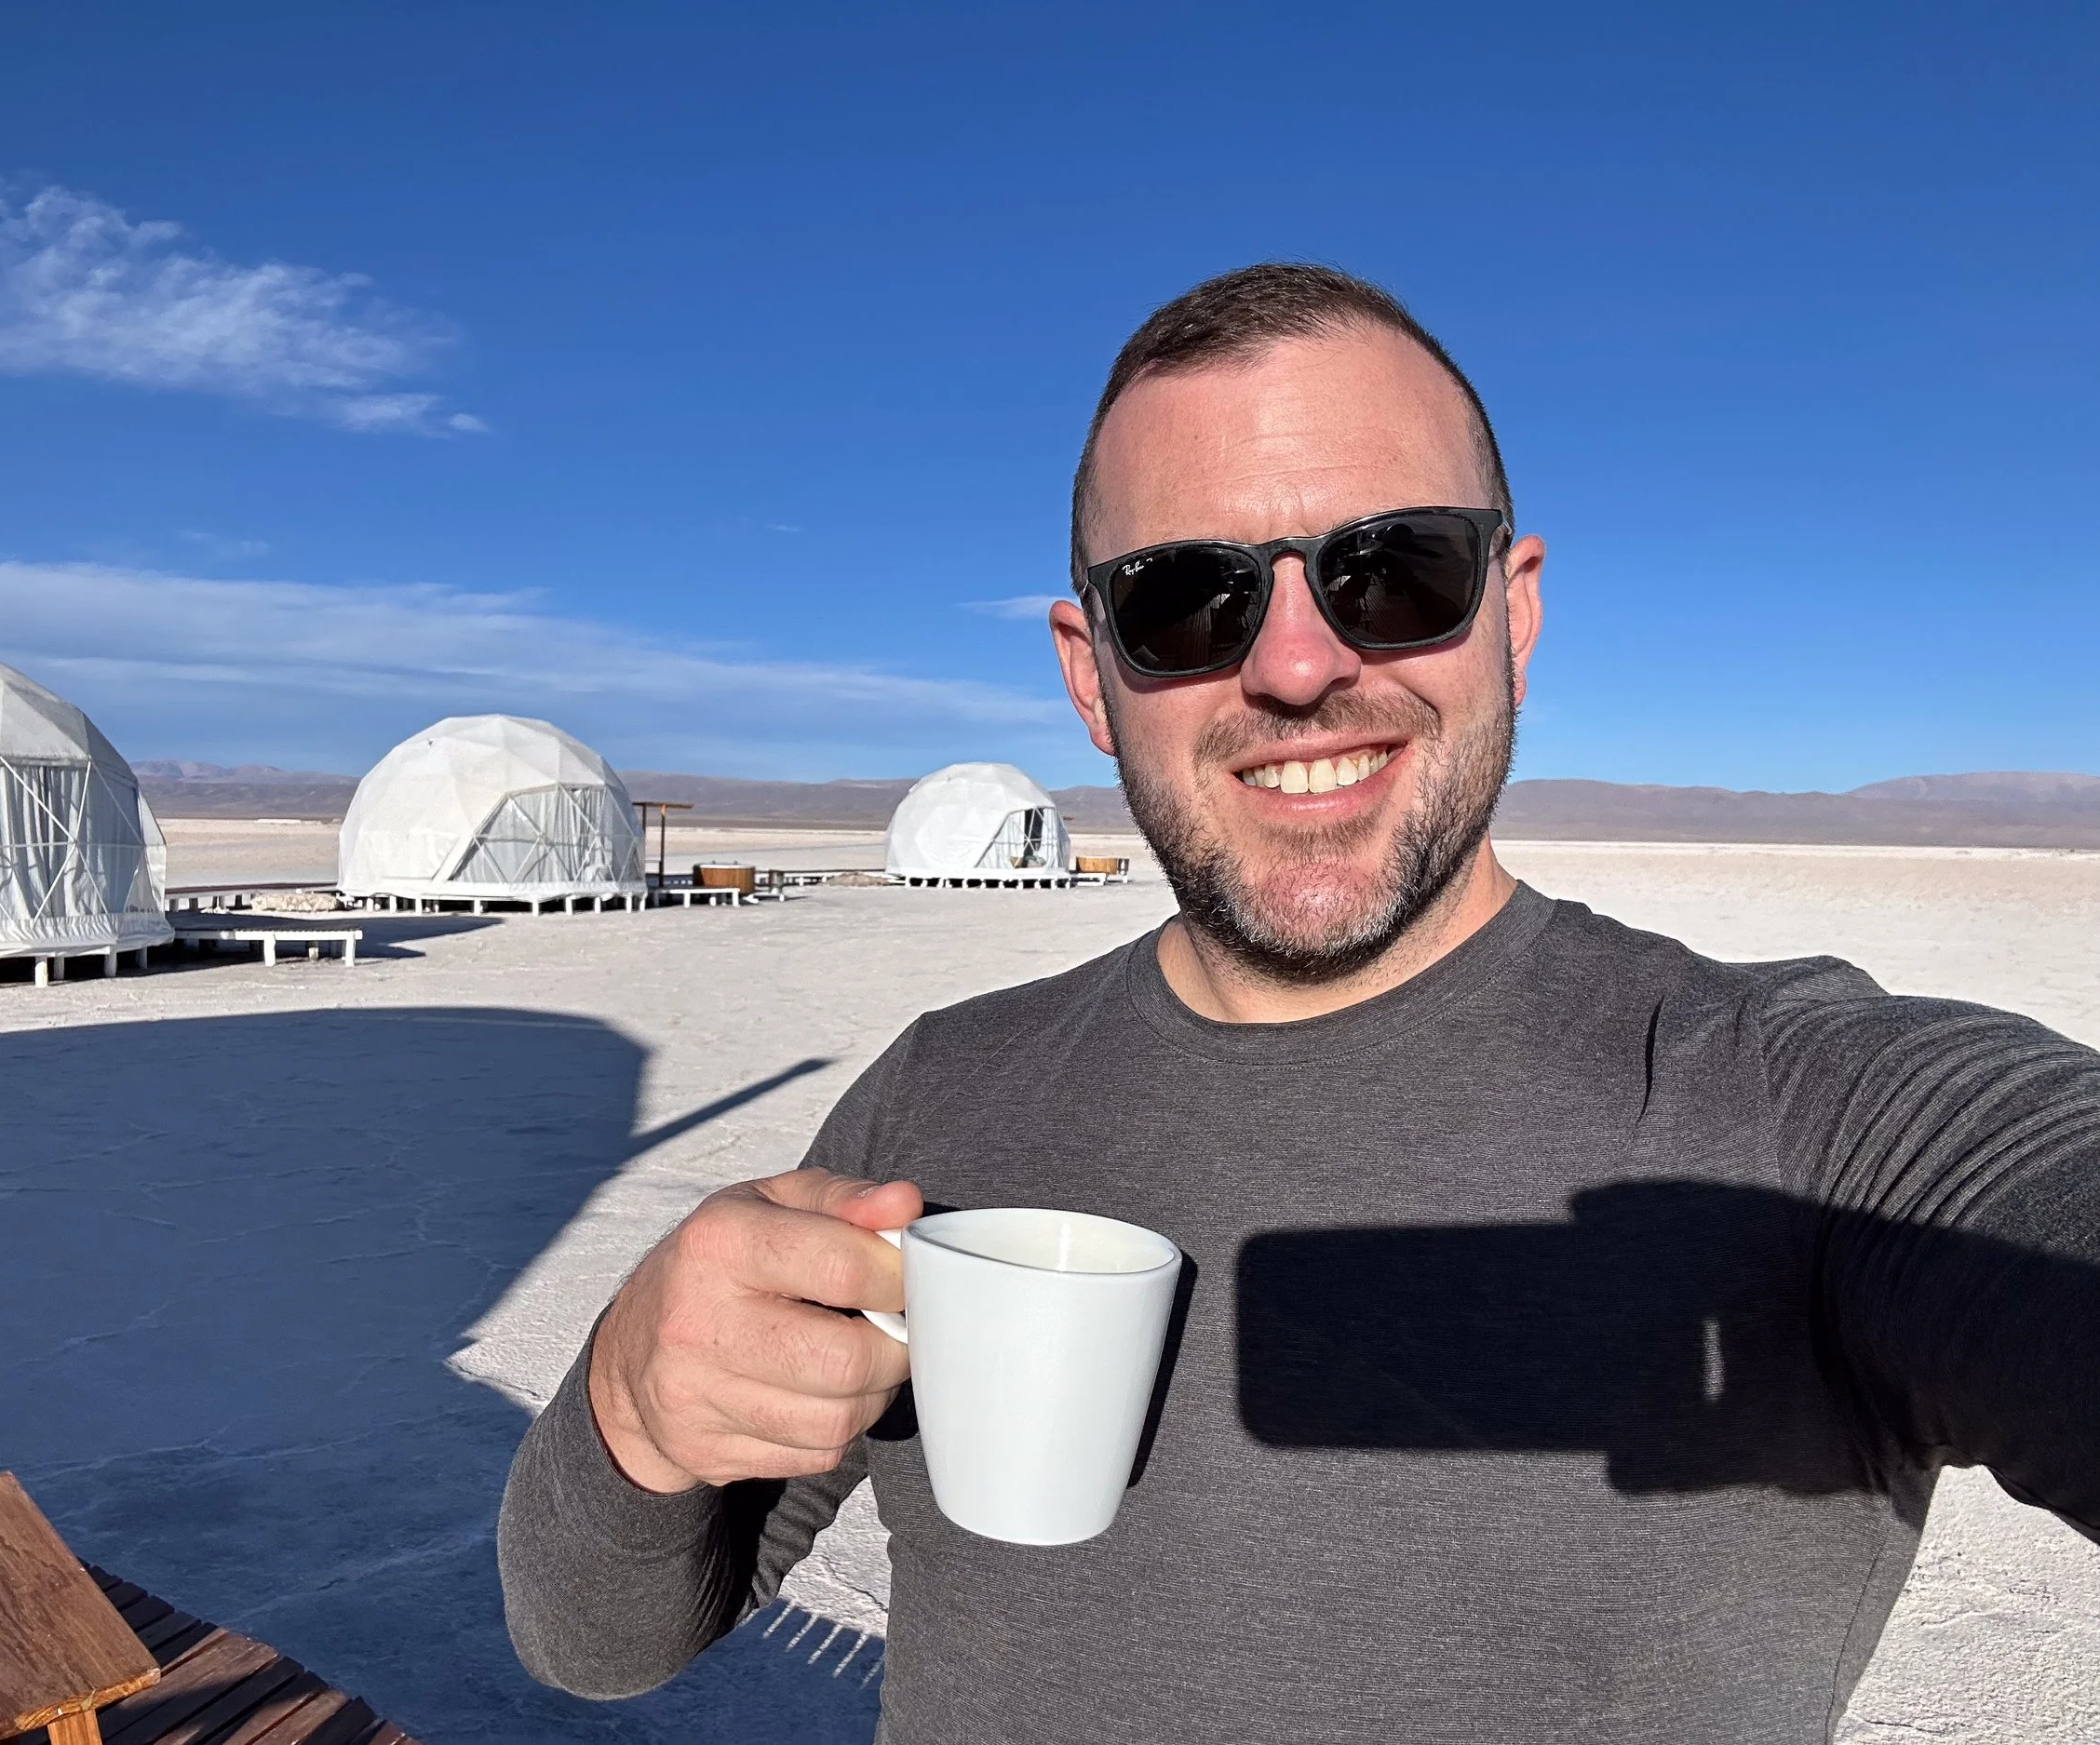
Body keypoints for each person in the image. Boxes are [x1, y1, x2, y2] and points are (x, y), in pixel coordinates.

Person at [497, 263, 2100, 1743]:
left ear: (1515, 609)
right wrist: (634, 1403)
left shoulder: (1804, 1113)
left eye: (1392, 570)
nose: (1296, 665)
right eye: (1185, 600)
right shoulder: (941, 1101)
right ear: (1086, 668)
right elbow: (598, 1640)